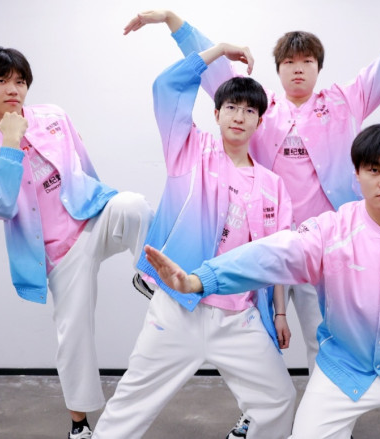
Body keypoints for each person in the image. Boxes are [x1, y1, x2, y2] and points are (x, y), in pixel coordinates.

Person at [124, 5, 380, 382]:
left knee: (325, 337)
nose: (298, 68)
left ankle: (326, 403)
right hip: (265, 243)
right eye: (289, 62)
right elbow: (216, 71)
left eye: (307, 61)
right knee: (255, 339)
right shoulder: (259, 109)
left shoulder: (344, 102)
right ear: (278, 69)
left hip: (323, 247)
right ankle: (254, 408)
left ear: (318, 67)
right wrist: (173, 22)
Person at [144, 123, 380, 439]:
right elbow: (270, 254)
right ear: (357, 175)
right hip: (342, 369)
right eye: (374, 169)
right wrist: (199, 281)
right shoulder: (331, 230)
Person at [91, 41, 296, 439]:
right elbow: (166, 86)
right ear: (216, 114)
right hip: (178, 309)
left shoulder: (273, 186)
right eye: (231, 108)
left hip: (238, 315)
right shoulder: (190, 150)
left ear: (259, 121)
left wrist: (280, 313)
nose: (239, 117)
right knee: (131, 403)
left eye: (249, 111)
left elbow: (277, 257)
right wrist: (218, 50)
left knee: (279, 399)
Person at [0, 47, 154, 439]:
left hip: (90, 217)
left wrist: (102, 201)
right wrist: (9, 142)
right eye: (2, 81)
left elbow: (83, 164)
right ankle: (79, 424)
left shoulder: (53, 116)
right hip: (58, 253)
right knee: (74, 334)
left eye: (20, 81)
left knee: (134, 205)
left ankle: (147, 276)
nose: (14, 89)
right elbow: (0, 204)